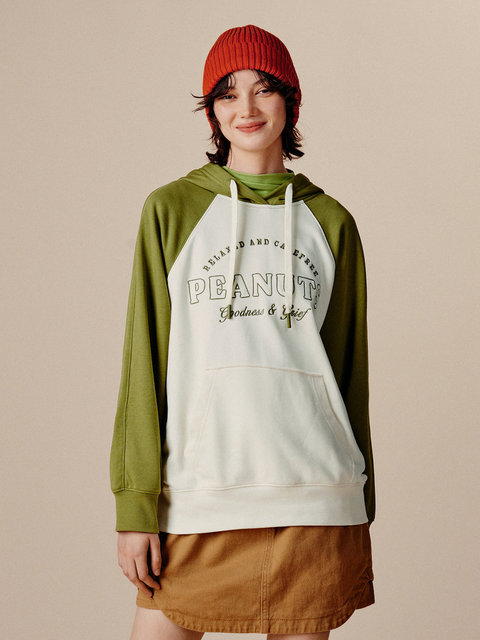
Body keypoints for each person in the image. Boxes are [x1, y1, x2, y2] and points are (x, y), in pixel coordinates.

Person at [110, 24, 376, 640]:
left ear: (290, 101)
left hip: (315, 495)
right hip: (200, 491)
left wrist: (363, 501)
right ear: (212, 111)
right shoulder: (171, 210)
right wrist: (134, 505)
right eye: (227, 94)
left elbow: (348, 371)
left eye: (264, 89)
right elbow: (142, 364)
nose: (246, 109)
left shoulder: (332, 221)